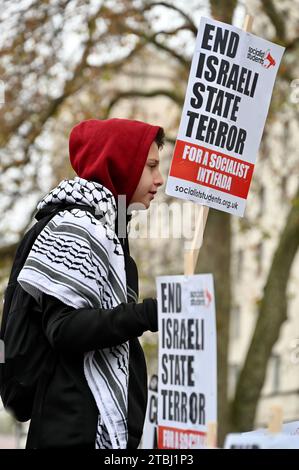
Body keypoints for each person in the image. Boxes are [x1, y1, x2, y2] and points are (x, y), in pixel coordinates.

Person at [17, 118, 165, 449]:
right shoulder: (77, 226)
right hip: (73, 431)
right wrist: (148, 314)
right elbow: (63, 327)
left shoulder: (111, 232)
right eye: (151, 166)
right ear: (120, 163)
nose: (159, 180)